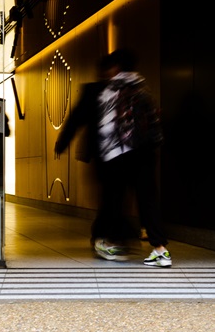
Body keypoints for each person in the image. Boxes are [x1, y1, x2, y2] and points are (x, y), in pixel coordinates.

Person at [54, 48, 170, 267]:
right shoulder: (141, 86)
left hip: (117, 156)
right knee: (147, 200)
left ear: (114, 67)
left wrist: (63, 142)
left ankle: (108, 241)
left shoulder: (106, 89)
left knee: (113, 199)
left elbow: (85, 119)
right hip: (144, 154)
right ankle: (160, 249)